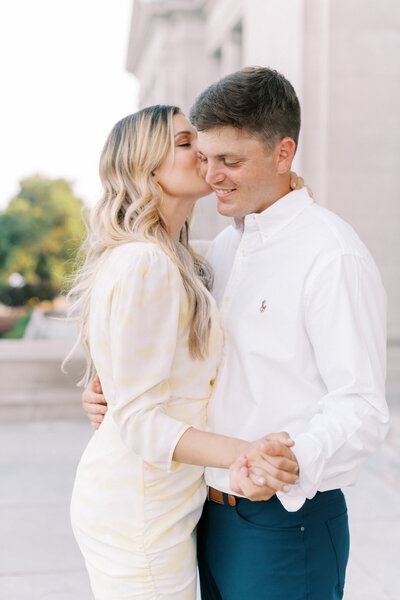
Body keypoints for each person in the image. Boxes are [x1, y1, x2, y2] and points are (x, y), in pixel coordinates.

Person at [83, 68, 389, 600]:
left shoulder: (331, 255)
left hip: (283, 523)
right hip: (201, 515)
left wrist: (294, 457)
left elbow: (361, 405)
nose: (213, 173)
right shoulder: (219, 251)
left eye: (231, 161)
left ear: (283, 154)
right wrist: (110, 386)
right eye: (203, 156)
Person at [69, 104, 301, 600]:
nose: (203, 151)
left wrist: (286, 197)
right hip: (138, 509)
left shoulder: (176, 257)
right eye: (183, 142)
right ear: (145, 167)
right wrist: (249, 451)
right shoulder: (145, 263)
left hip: (160, 500)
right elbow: (141, 421)